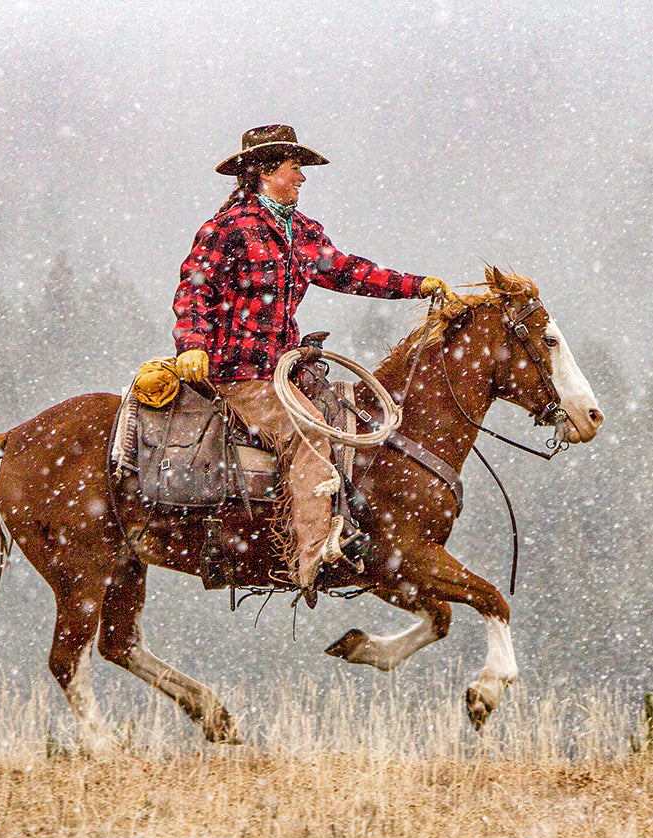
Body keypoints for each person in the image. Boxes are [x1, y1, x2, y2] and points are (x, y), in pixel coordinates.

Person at [172, 124, 450, 597]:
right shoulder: (226, 229)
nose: (302, 177)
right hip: (238, 374)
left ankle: (340, 522)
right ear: (264, 171)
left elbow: (348, 272)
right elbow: (193, 291)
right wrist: (193, 344)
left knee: (352, 424)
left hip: (284, 369)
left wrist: (415, 285)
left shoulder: (301, 231)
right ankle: (315, 555)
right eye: (294, 167)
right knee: (309, 432)